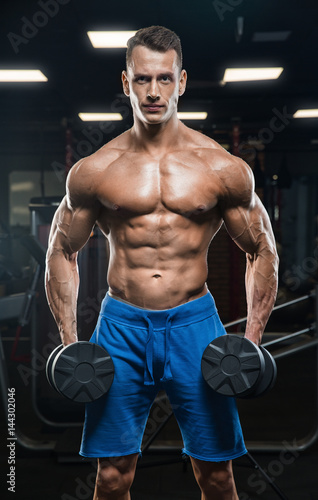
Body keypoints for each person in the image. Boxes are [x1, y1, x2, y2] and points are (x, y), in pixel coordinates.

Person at [45, 25, 278, 500]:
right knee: (111, 478)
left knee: (216, 475)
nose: (154, 91)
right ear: (127, 82)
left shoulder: (220, 167)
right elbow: (61, 250)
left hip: (195, 324)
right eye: (144, 79)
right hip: (121, 326)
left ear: (183, 82)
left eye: (165, 79)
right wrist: (72, 345)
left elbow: (263, 250)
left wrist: (250, 343)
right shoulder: (95, 170)